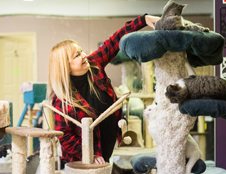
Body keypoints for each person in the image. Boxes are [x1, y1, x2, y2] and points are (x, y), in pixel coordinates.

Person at [48, 14, 160, 165]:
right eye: (77, 55)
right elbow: (65, 137)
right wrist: (91, 154)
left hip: (106, 148)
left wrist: (144, 20)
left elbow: (115, 40)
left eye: (81, 51)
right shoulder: (61, 98)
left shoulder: (94, 65)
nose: (84, 55)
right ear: (65, 66)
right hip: (82, 161)